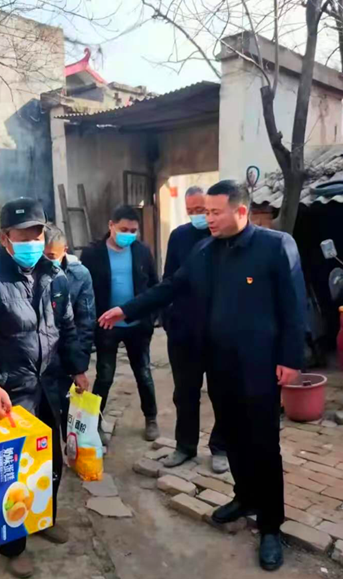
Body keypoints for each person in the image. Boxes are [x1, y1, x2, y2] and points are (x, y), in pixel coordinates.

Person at [99, 181, 306, 571]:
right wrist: (127, 310)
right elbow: (171, 286)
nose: (207, 219)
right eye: (205, 212)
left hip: (260, 366)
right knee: (233, 437)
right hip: (219, 362)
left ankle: (270, 526)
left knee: (263, 445)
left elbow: (294, 307)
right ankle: (244, 497)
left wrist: (292, 359)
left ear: (240, 211)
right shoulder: (205, 250)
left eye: (214, 212)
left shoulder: (276, 247)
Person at [0, 198, 89, 579]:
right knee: (12, 477)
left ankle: (44, 518)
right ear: (4, 238)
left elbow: (68, 328)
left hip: (48, 388)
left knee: (50, 461)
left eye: (37, 234)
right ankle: (14, 546)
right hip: (6, 394)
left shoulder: (56, 277)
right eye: (22, 235)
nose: (31, 242)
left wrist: (78, 367)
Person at [162, 186, 228, 473]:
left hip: (218, 332)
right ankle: (185, 446)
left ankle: (221, 447)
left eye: (202, 210)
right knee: (185, 394)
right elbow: (167, 280)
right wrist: (168, 319)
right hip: (184, 332)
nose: (199, 216)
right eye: (192, 211)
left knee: (222, 393)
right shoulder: (179, 236)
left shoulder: (223, 237)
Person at [81, 205, 160, 442]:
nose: (129, 234)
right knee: (105, 375)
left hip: (137, 325)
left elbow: (154, 286)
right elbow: (84, 289)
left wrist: (150, 317)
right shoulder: (92, 254)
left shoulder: (142, 251)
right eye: (124, 229)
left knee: (143, 373)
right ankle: (94, 421)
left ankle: (151, 418)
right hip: (106, 325)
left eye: (133, 231)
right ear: (111, 226)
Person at [44, 225, 96, 439]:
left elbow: (85, 322)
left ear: (64, 250)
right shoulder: (30, 273)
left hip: (67, 354)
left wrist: (78, 367)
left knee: (70, 410)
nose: (46, 261)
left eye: (51, 256)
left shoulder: (79, 275)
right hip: (39, 359)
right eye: (42, 255)